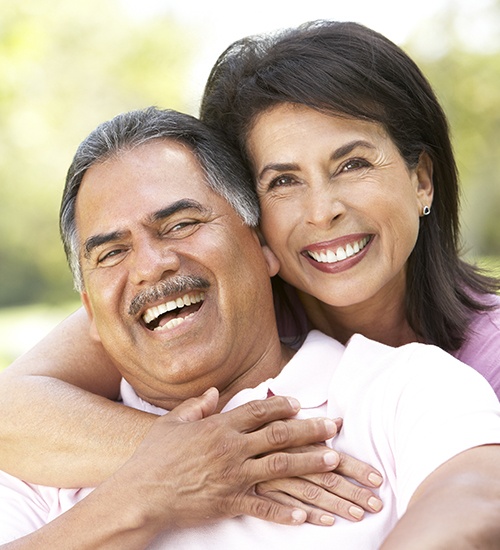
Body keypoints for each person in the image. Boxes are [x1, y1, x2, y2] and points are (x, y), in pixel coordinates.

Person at [0, 18, 499, 519]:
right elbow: (11, 411)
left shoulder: (469, 363)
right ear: (249, 218)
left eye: (353, 165)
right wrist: (212, 457)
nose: (322, 210)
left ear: (422, 180)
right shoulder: (214, 307)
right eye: (283, 180)